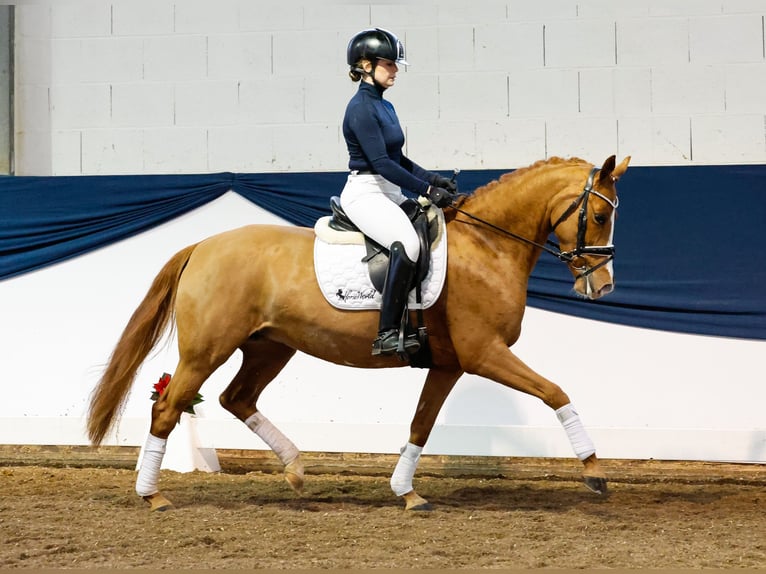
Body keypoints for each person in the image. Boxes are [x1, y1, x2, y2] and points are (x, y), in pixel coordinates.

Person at [340, 28, 457, 357]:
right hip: (365, 192)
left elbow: (398, 159)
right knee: (406, 243)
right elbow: (380, 163)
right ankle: (387, 332)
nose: (395, 70)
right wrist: (426, 188)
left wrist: (435, 180)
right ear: (365, 65)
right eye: (389, 64)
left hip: (387, 189)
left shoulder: (385, 106)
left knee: (431, 227)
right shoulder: (361, 108)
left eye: (395, 64)